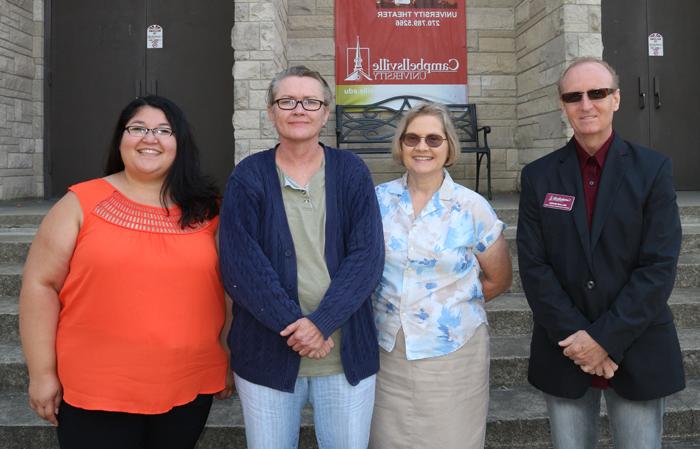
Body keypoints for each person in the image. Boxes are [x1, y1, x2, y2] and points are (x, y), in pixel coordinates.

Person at [19, 95, 233, 449]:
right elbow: (40, 285)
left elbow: (226, 289)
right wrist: (41, 374)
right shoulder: (80, 203)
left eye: (164, 130)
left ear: (180, 143)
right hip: (96, 386)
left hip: (188, 382)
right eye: (138, 128)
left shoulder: (208, 210)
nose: (151, 138)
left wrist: (226, 353)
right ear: (121, 139)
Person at [517, 57, 685, 449]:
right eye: (573, 96)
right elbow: (535, 267)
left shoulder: (653, 169)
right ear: (562, 105)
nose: (586, 104)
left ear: (617, 99)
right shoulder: (538, 176)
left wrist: (604, 340)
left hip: (636, 344)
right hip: (565, 347)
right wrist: (581, 343)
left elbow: (658, 266)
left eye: (598, 93)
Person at [218, 66, 384, 449]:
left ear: (326, 112)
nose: (299, 110)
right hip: (267, 355)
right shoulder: (248, 176)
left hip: (343, 357)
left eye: (311, 102)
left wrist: (321, 323)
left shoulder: (352, 173)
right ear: (271, 111)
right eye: (287, 101)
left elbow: (367, 256)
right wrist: (298, 327)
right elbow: (241, 264)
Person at [369, 102, 512, 449]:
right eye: (412, 138)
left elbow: (499, 278)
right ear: (400, 145)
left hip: (453, 353)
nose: (422, 147)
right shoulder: (376, 200)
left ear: (449, 147)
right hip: (387, 352)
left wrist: (442, 308)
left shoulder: (472, 206)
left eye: (434, 139)